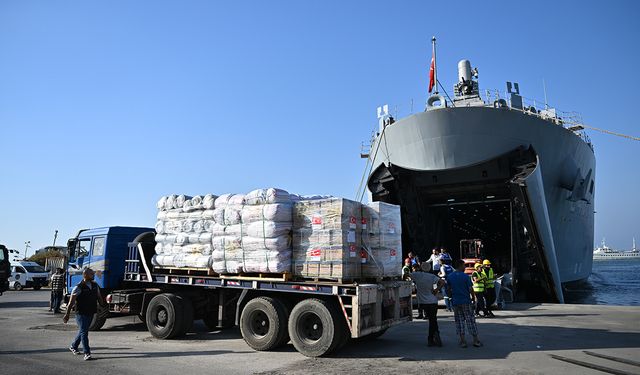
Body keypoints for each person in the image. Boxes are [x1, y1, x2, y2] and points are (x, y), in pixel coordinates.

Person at [63, 268, 106, 361]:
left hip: (91, 311)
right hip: (81, 313)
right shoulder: (78, 287)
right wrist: (67, 314)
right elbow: (71, 303)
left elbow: (99, 297)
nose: (93, 275)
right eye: (91, 274)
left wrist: (102, 307)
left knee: (83, 330)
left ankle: (73, 346)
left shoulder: (95, 285)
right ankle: (87, 353)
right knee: (84, 332)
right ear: (85, 275)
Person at [446, 259, 482, 348]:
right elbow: (470, 289)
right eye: (464, 266)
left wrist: (451, 297)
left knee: (459, 321)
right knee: (470, 320)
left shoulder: (450, 276)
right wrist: (473, 298)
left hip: (456, 302)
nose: (465, 267)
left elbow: (448, 289)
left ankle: (463, 341)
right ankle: (476, 340)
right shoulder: (465, 277)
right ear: (460, 266)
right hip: (466, 301)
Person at [410, 264, 445, 347]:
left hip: (423, 302)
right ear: (430, 269)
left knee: (432, 320)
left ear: (421, 268)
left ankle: (432, 338)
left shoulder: (417, 275)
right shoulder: (432, 276)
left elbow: (406, 275)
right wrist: (437, 289)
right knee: (433, 320)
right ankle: (434, 337)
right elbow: (442, 282)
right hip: (432, 301)